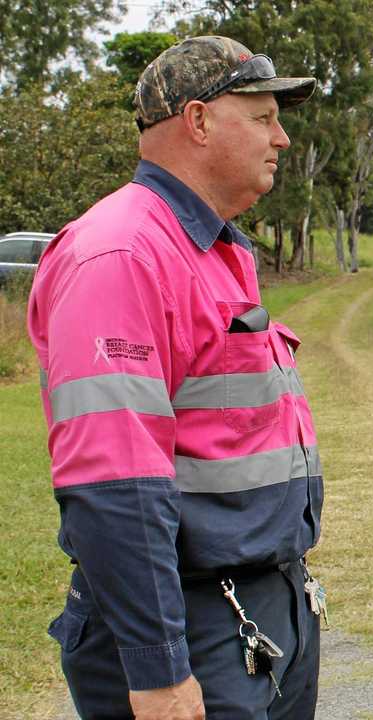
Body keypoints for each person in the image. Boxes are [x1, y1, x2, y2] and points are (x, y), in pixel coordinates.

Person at [28, 36, 325, 720]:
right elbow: (114, 483)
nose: (280, 137)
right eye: (261, 116)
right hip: (196, 628)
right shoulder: (122, 252)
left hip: (260, 610)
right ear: (197, 121)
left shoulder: (214, 246)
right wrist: (160, 669)